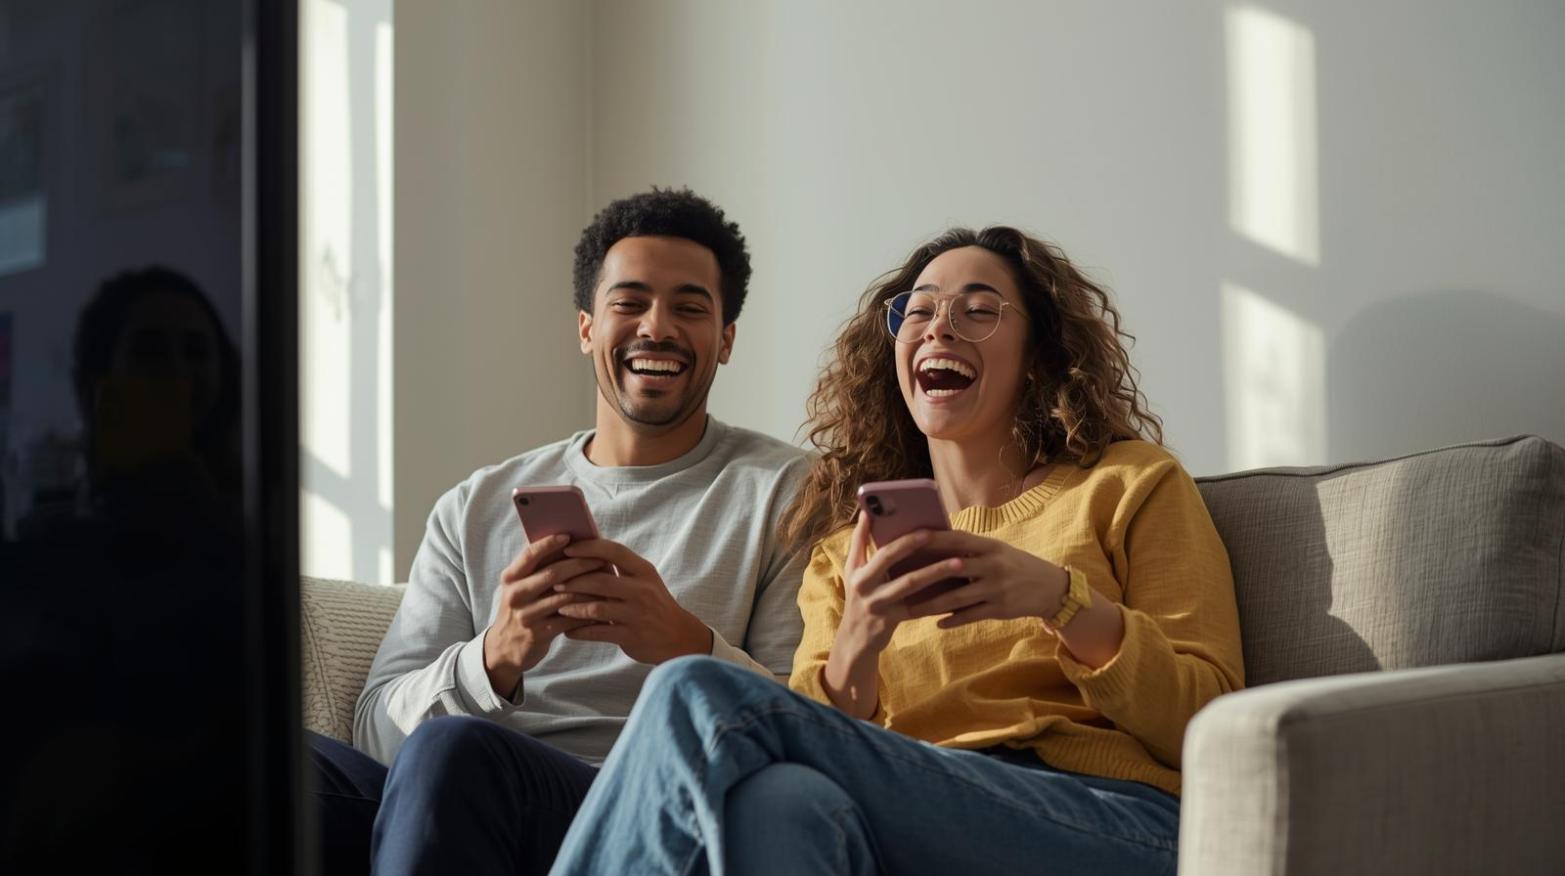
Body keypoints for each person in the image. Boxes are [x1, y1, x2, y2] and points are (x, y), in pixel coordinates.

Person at [549, 226, 1246, 875]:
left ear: (1038, 356)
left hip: (1110, 819)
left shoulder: (1128, 483)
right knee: (782, 803)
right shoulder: (842, 551)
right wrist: (858, 636)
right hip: (920, 802)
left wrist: (1061, 601)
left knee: (691, 688)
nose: (939, 325)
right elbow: (832, 742)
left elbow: (1214, 727)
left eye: (978, 310)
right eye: (917, 312)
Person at [307, 189, 809, 874]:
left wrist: (686, 646)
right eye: (628, 303)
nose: (655, 327)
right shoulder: (477, 504)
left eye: (688, 308)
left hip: (643, 803)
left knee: (454, 752)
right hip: (452, 796)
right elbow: (374, 729)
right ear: (585, 328)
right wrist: (495, 657)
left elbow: (809, 724)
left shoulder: (788, 492)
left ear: (724, 340)